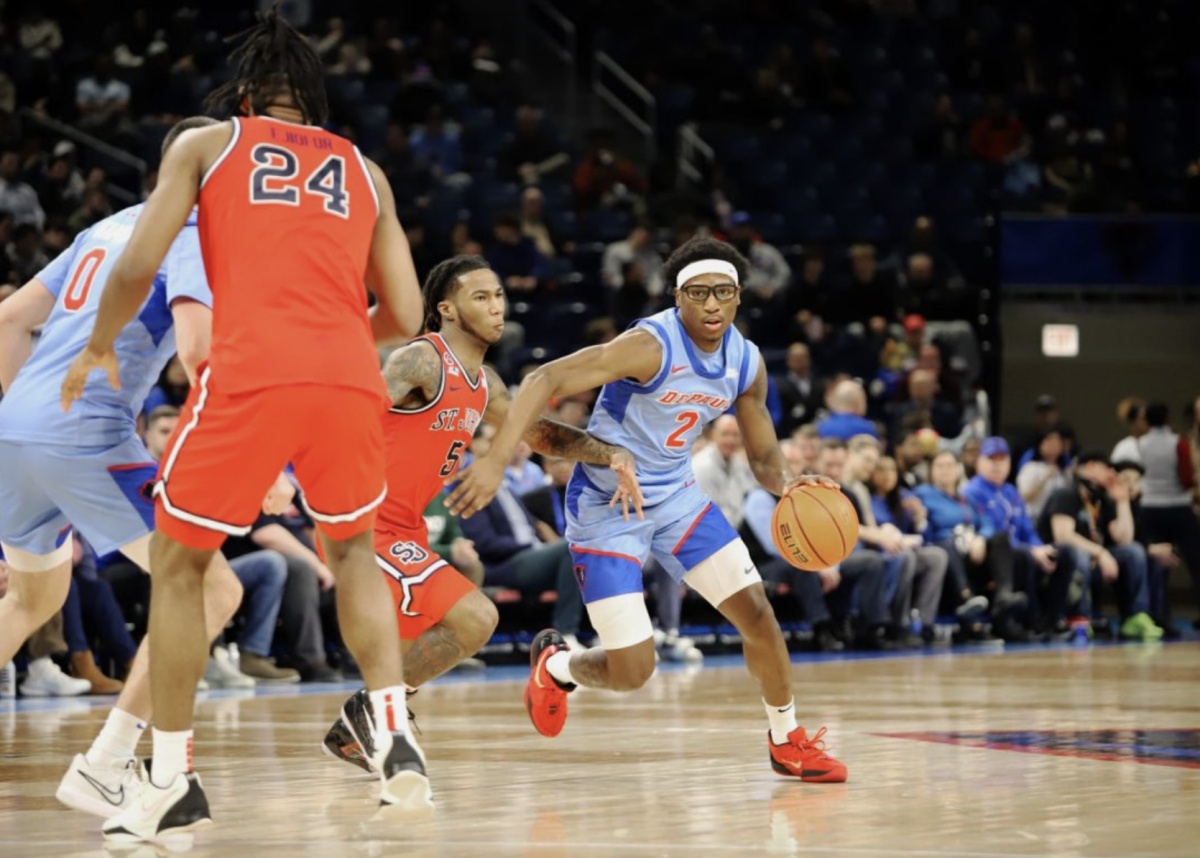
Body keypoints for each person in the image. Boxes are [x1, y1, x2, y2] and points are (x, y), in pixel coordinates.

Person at [60, 10, 430, 839]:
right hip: (346, 379)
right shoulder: (367, 172)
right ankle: (397, 737)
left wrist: (95, 348)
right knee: (355, 550)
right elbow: (405, 311)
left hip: (252, 373)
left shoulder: (205, 143)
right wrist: (332, 338)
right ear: (314, 101)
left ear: (248, 96)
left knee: (180, 568)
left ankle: (170, 775)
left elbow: (138, 263)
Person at [447, 236, 848, 783]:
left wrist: (791, 485)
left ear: (738, 298)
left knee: (758, 614)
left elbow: (763, 457)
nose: (711, 304)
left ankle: (787, 740)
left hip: (677, 496)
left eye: (723, 293)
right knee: (635, 670)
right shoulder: (649, 344)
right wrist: (495, 461)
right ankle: (558, 665)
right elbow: (544, 379)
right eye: (699, 292)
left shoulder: (746, 362)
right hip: (608, 501)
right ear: (678, 297)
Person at [0, 119, 253, 820]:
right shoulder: (195, 231)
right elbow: (198, 352)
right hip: (92, 436)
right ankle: (106, 763)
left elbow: (9, 319)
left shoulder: (106, 226)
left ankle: (110, 762)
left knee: (30, 602)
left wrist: (28, 419)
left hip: (13, 428)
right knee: (212, 590)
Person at [320, 255, 641, 774]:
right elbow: (352, 415)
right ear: (446, 308)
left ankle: (357, 729)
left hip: (406, 530)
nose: (497, 307)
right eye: (481, 297)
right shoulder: (421, 361)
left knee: (438, 642)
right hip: (364, 525)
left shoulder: (485, 383)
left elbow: (538, 434)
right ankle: (371, 712)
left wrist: (610, 453)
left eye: (498, 296)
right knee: (477, 617)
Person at [1035, 452, 1162, 641]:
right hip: (1060, 567)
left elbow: (1124, 539)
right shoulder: (1066, 493)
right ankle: (1078, 617)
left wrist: (1122, 500)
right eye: (1107, 469)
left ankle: (1134, 617)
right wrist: (1101, 553)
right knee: (1079, 554)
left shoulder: (1101, 500)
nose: (1112, 474)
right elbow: (1063, 536)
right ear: (1091, 467)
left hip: (1094, 565)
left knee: (1133, 551)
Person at [965, 437, 1072, 639]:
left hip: (1021, 548)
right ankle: (1030, 621)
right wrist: (1033, 551)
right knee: (1023, 555)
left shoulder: (1012, 492)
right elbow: (993, 534)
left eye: (1002, 459)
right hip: (992, 555)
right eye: (991, 459)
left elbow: (1027, 530)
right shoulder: (972, 491)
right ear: (979, 463)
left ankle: (1052, 620)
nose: (997, 464)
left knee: (1064, 553)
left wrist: (1040, 548)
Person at [1135, 403, 1200, 617]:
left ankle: (1159, 615)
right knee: (1195, 562)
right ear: (1167, 418)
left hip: (1150, 507)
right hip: (1178, 507)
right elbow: (1186, 479)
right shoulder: (1178, 443)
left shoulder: (1140, 443)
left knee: (1158, 563)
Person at [1016, 427, 1069, 519]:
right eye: (1049, 441)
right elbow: (1023, 497)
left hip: (1056, 519)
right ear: (1041, 445)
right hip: (1034, 517)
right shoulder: (1031, 467)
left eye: (1057, 442)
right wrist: (1044, 479)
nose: (1054, 445)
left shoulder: (1064, 470)